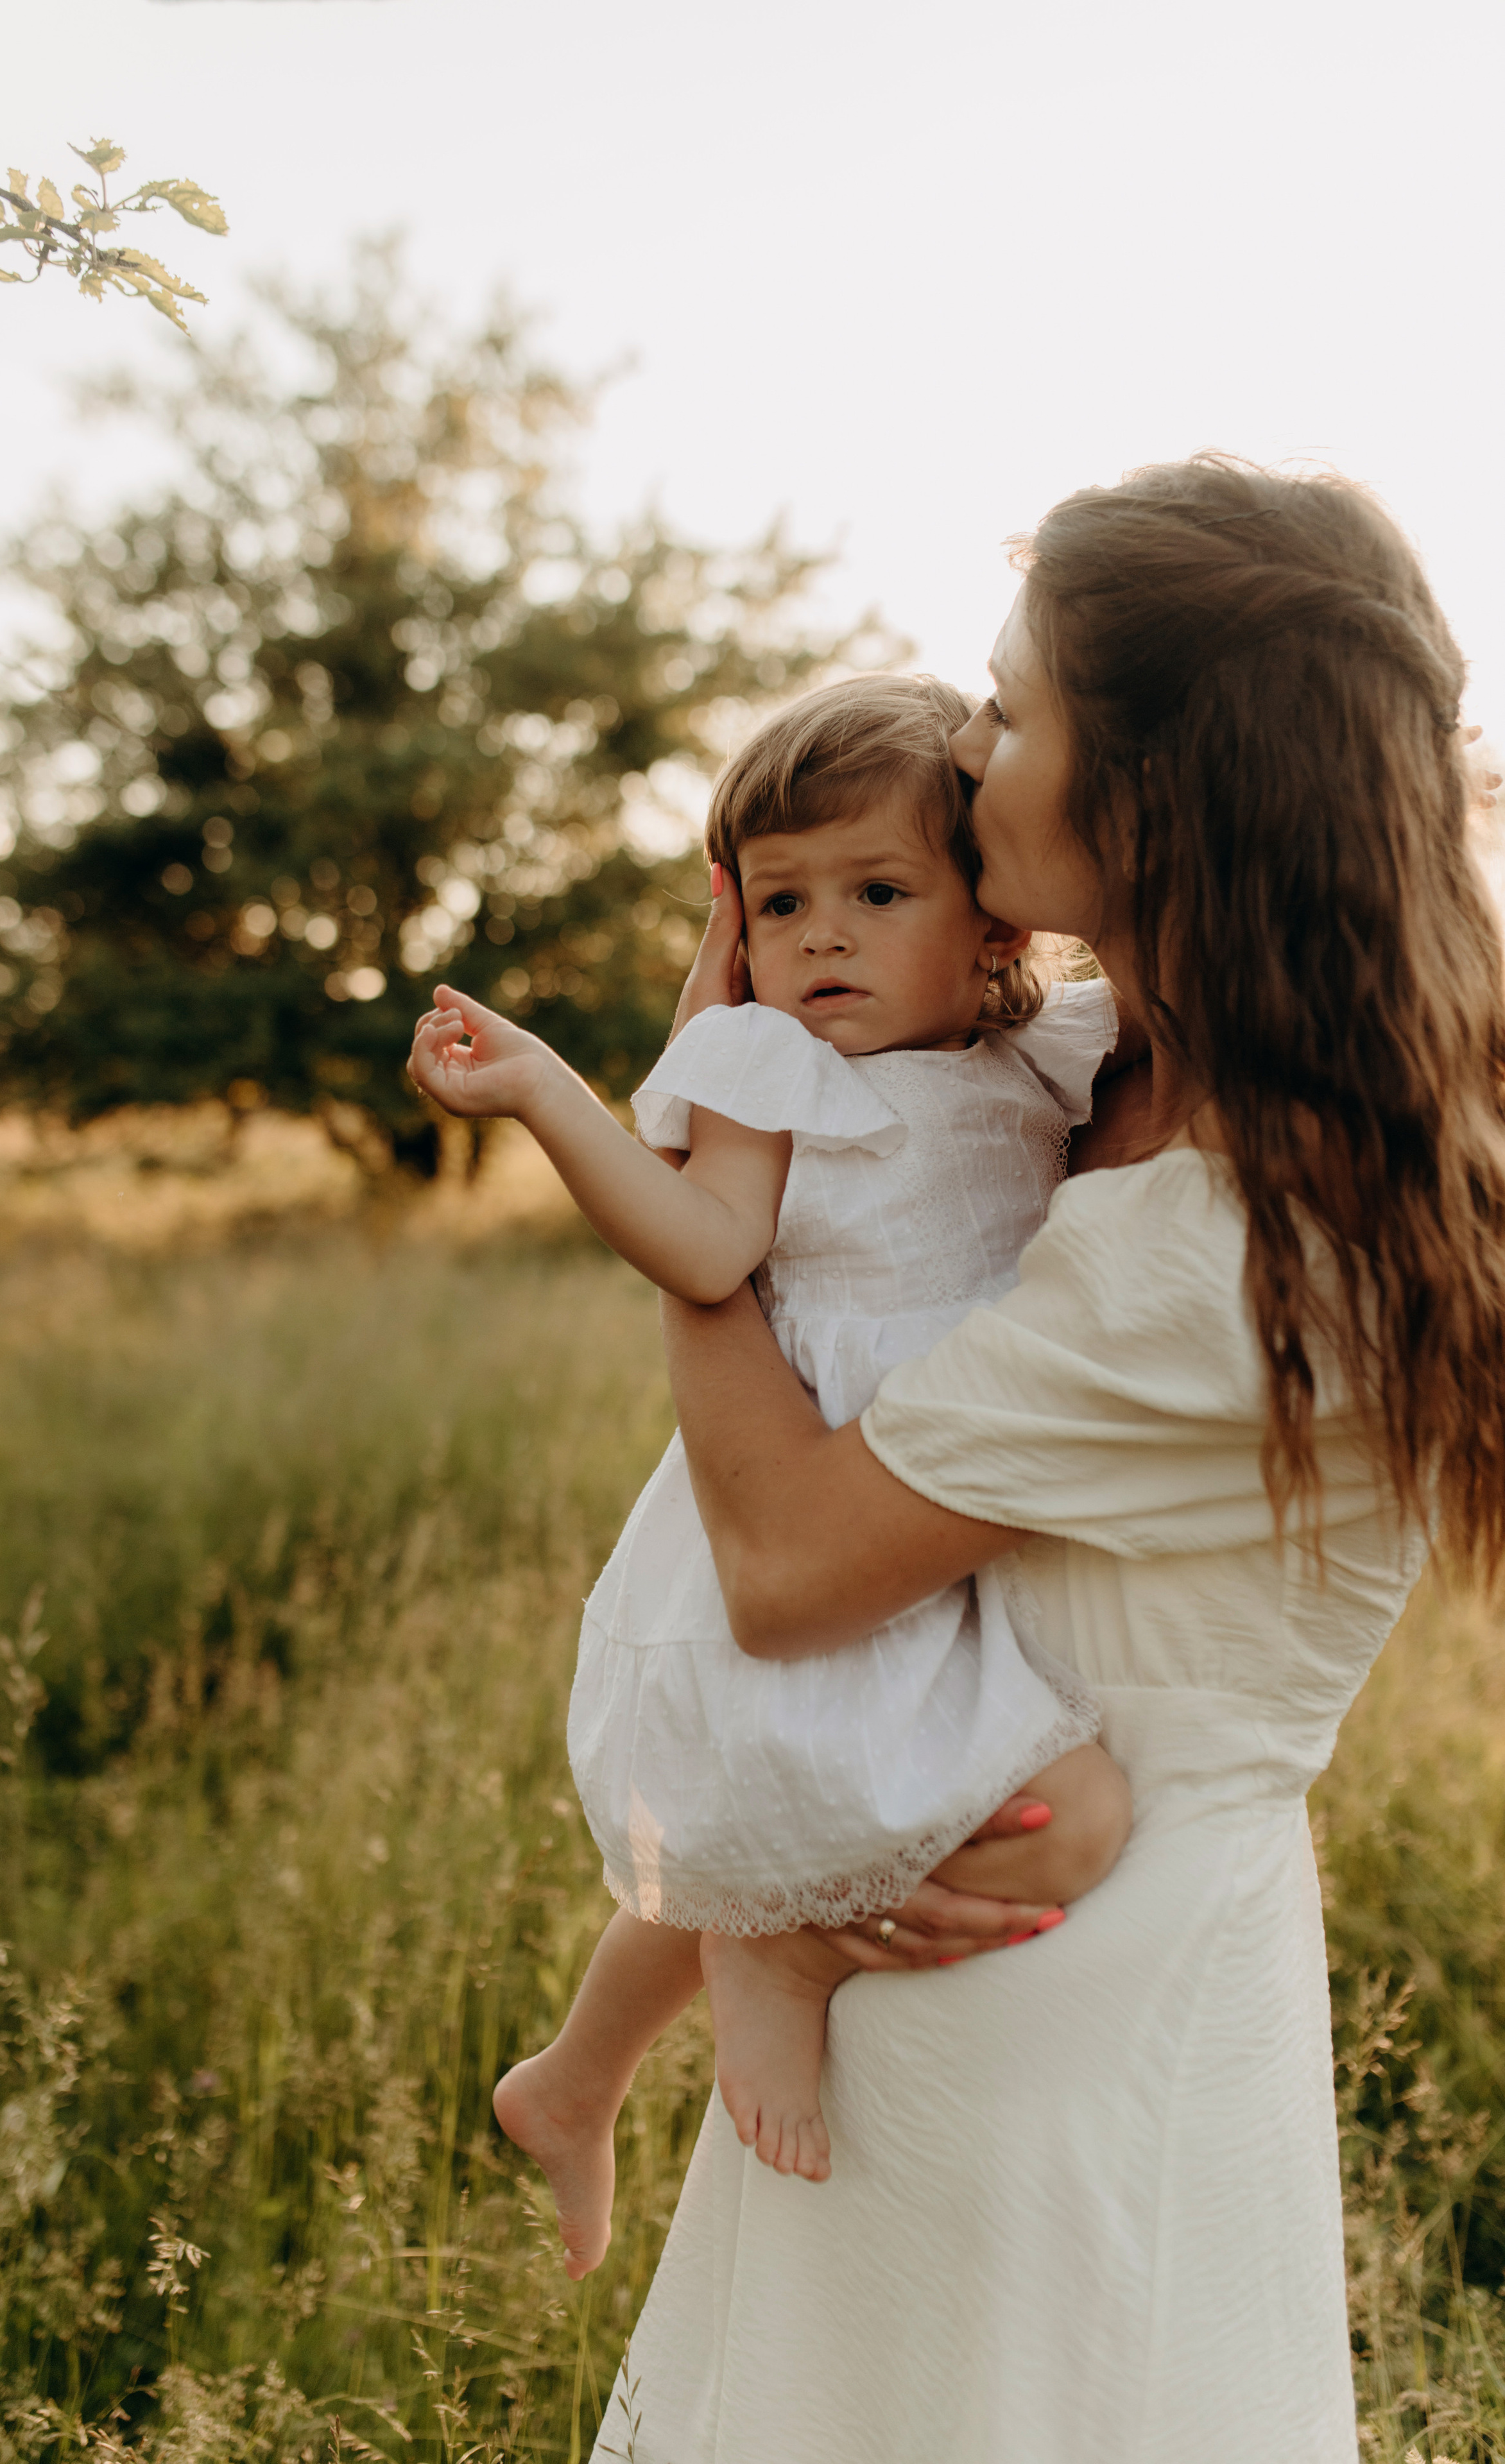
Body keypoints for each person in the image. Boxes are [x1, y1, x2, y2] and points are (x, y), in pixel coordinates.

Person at [601, 456, 1505, 2461]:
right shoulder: (1116, 1069)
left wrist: (707, 1175)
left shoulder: (1242, 1236)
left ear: (1151, 791)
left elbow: (780, 1561)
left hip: (1061, 1995)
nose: (970, 753)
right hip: (912, 1900)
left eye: (1014, 715)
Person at [409, 672, 1132, 2279]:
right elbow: (698, 1244)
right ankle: (775, 1963)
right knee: (862, 1799)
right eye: (783, 900)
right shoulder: (764, 1071)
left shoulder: (1048, 1056)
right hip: (814, 1465)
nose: (823, 938)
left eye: (878, 894)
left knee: (802, 1797)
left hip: (945, 1487)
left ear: (996, 926)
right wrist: (547, 1093)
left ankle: (574, 2078)